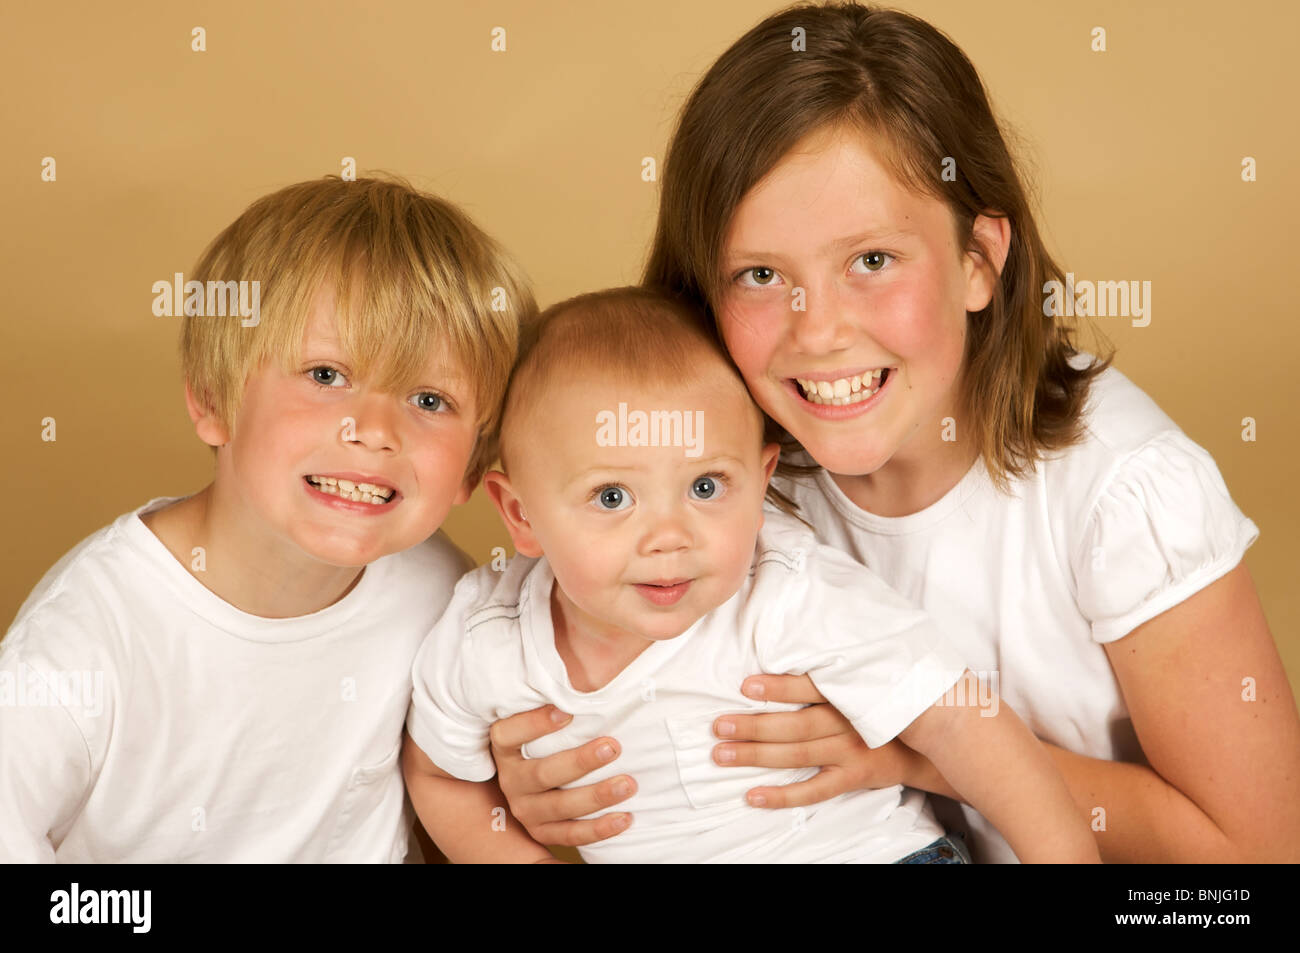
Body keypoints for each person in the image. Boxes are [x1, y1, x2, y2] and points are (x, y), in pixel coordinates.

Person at [484, 3, 1300, 862]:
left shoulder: (1122, 488)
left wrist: (912, 753)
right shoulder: (717, 482)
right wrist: (534, 770)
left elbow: (1254, 862)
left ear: (979, 262)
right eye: (761, 274)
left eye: (871, 260)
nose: (821, 330)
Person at [401, 286, 1100, 864]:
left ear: (762, 483)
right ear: (520, 515)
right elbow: (436, 774)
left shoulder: (788, 593)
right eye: (612, 497)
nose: (669, 537)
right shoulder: (488, 640)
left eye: (707, 487)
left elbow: (968, 727)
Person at [0, 175, 533, 862]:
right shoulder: (88, 639)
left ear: (471, 468)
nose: (373, 431)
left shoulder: (443, 595)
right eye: (325, 375)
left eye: (430, 399)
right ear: (214, 401)